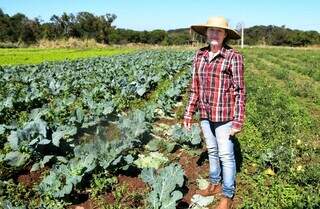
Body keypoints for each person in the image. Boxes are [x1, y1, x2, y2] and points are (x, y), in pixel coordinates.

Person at [183, 16, 246, 209]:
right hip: (205, 114)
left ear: (225, 34)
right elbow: (195, 87)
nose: (214, 33)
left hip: (224, 116)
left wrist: (238, 121)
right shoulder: (199, 55)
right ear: (206, 33)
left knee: (226, 155)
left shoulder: (233, 57)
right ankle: (214, 184)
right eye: (211, 30)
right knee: (212, 150)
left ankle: (227, 195)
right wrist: (188, 112)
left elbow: (240, 91)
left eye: (218, 31)